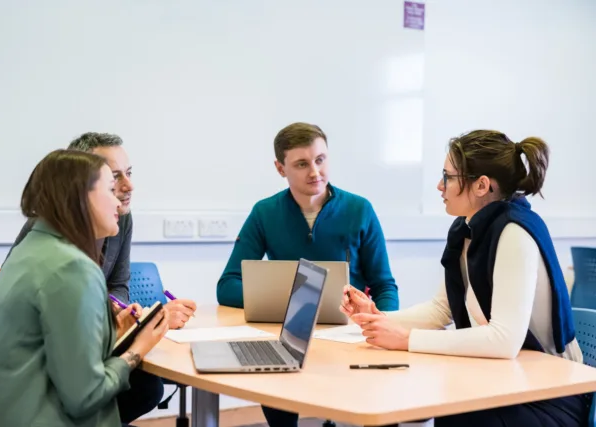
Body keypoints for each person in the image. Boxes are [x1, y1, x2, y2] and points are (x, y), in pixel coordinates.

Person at [342, 130, 590, 426]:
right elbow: (441, 309)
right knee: (448, 407)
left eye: (447, 177)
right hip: (511, 379)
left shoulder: (514, 233)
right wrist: (380, 317)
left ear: (482, 185)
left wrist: (407, 339)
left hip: (551, 394)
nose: (439, 185)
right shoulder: (468, 229)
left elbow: (504, 340)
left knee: (454, 412)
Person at [0, 132, 197, 423]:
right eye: (111, 186)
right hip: (26, 405)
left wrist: (115, 321)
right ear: (79, 196)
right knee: (140, 387)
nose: (123, 195)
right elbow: (85, 397)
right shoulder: (71, 267)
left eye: (128, 175)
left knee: (145, 388)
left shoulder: (40, 242)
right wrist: (138, 349)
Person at [216, 122, 399, 426]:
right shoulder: (265, 212)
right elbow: (228, 286)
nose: (315, 172)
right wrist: (294, 296)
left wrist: (384, 322)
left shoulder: (359, 209)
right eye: (302, 164)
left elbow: (384, 285)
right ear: (280, 168)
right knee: (275, 372)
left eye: (320, 160)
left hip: (350, 333)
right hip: (289, 333)